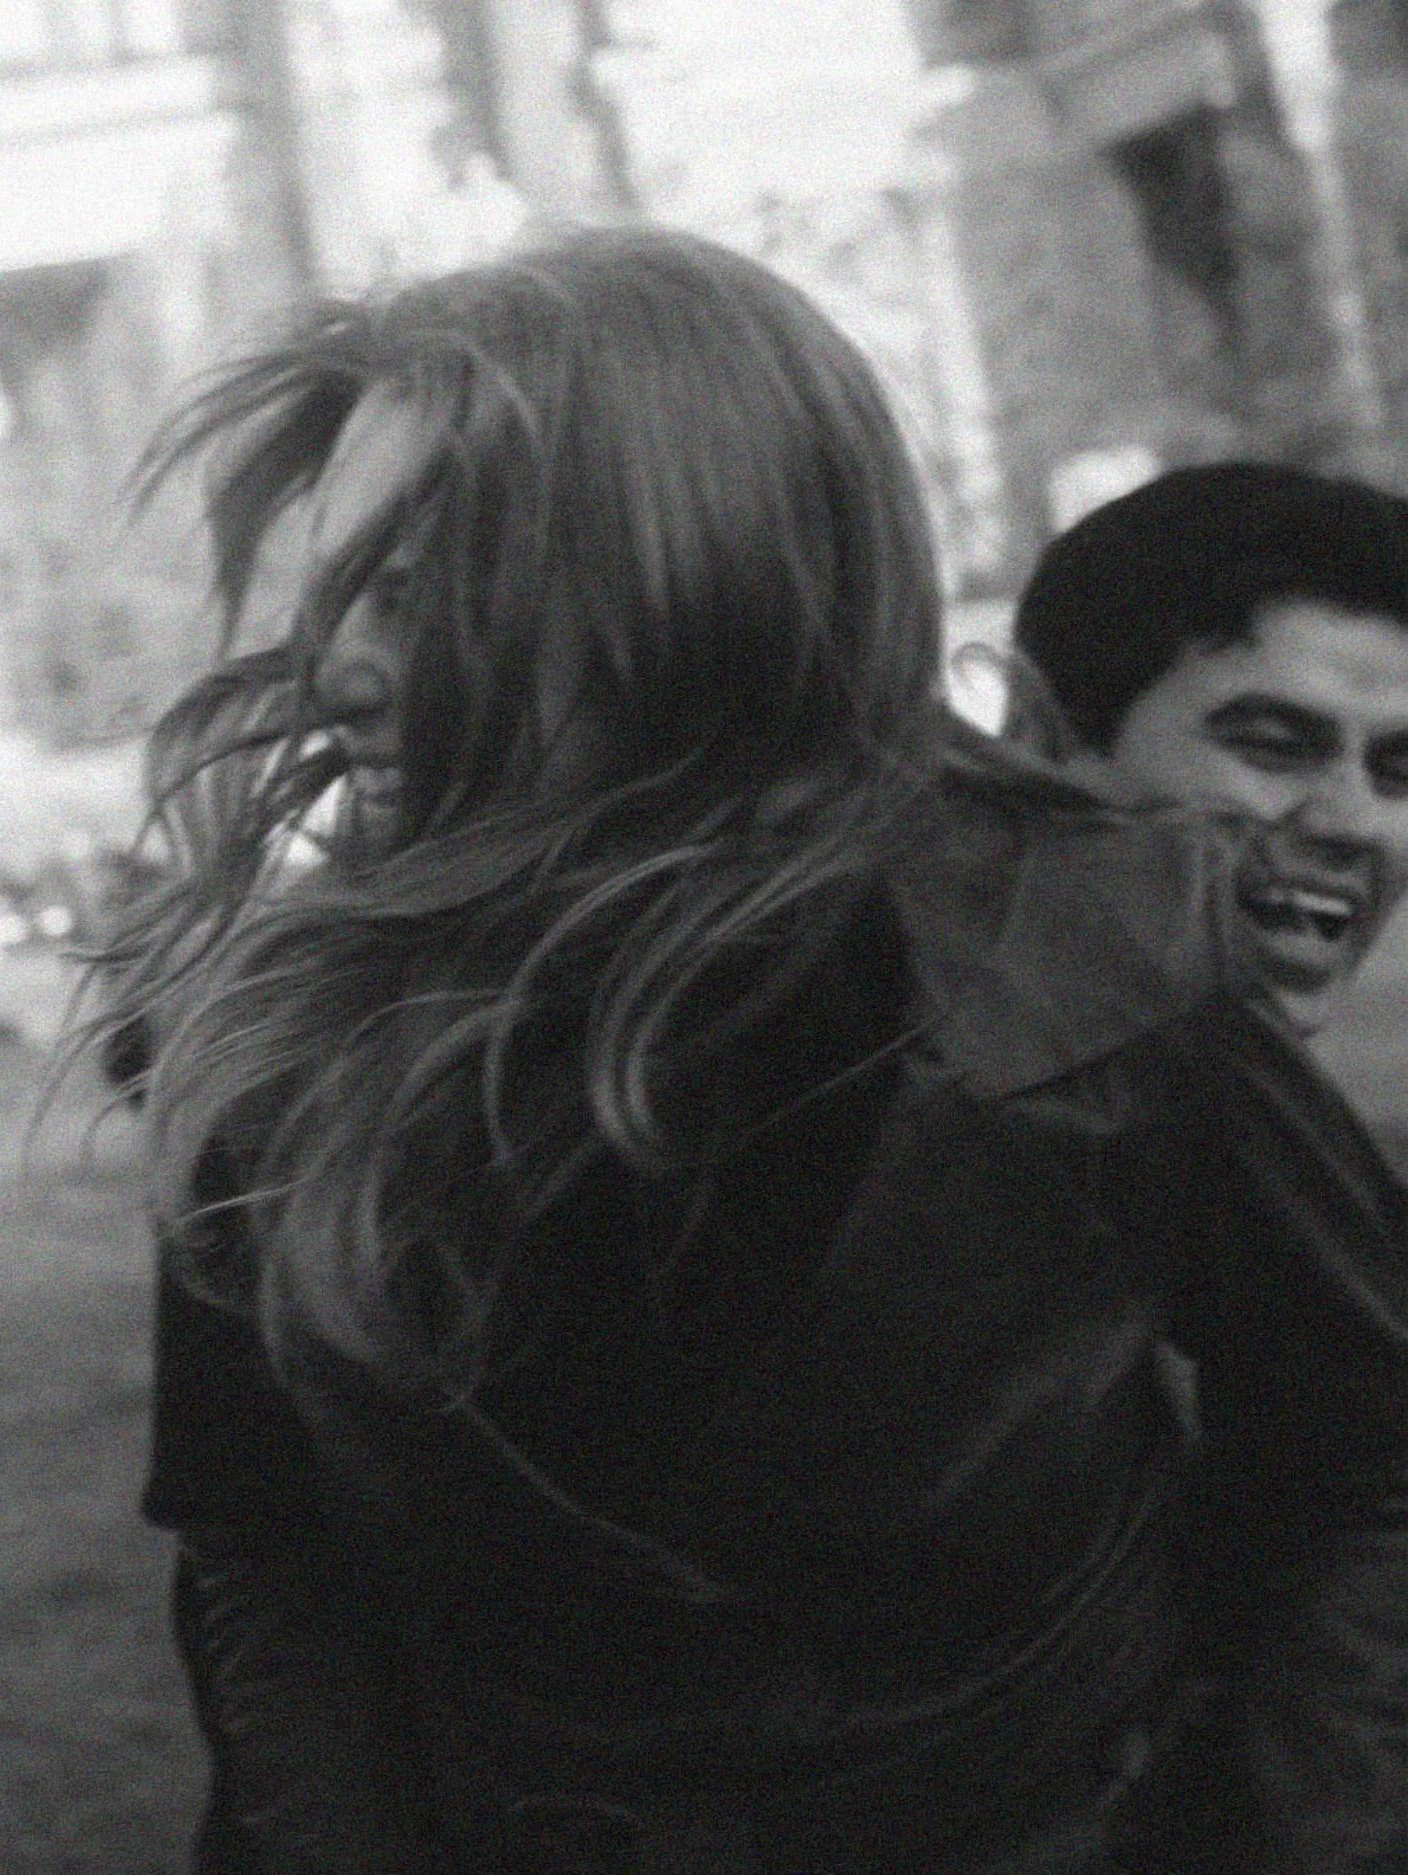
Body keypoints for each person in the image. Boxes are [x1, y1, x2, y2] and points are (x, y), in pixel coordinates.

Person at [94, 235, 1401, 1873]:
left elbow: (1364, 1459)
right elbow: (263, 1548)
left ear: (693, 575)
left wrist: (1299, 1832)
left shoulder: (1096, 973)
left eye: (421, 589)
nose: (339, 666)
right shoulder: (272, 1049)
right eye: (339, 588)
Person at [1014, 460, 1408, 1871]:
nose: (1354, 822)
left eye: (1399, 767)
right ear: (1043, 736)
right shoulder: (953, 1091)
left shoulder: (1266, 1110)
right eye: (1274, 741)